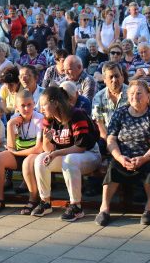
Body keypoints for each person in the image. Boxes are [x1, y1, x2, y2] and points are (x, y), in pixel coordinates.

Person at [96, 80, 150, 227]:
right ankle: (104, 208)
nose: (135, 97)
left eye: (139, 93)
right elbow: (111, 138)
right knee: (113, 167)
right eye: (132, 93)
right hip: (124, 156)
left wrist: (144, 158)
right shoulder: (120, 113)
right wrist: (119, 157)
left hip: (147, 157)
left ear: (148, 96)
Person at [32, 86, 101, 221]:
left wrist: (55, 154)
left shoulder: (77, 115)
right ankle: (45, 202)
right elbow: (48, 149)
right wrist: (47, 140)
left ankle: (76, 206)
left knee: (70, 160)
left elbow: (81, 147)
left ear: (55, 103)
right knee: (40, 159)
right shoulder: (48, 119)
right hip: (65, 156)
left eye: (44, 105)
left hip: (90, 154)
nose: (41, 109)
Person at [0, 89, 44, 214]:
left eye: (29, 105)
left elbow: (38, 148)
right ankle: (0, 199)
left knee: (27, 163)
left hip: (34, 155)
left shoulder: (39, 119)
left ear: (34, 104)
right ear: (16, 107)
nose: (26, 108)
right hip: (19, 153)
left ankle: (33, 199)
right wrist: (10, 125)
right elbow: (11, 147)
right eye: (23, 105)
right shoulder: (14, 118)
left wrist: (16, 153)